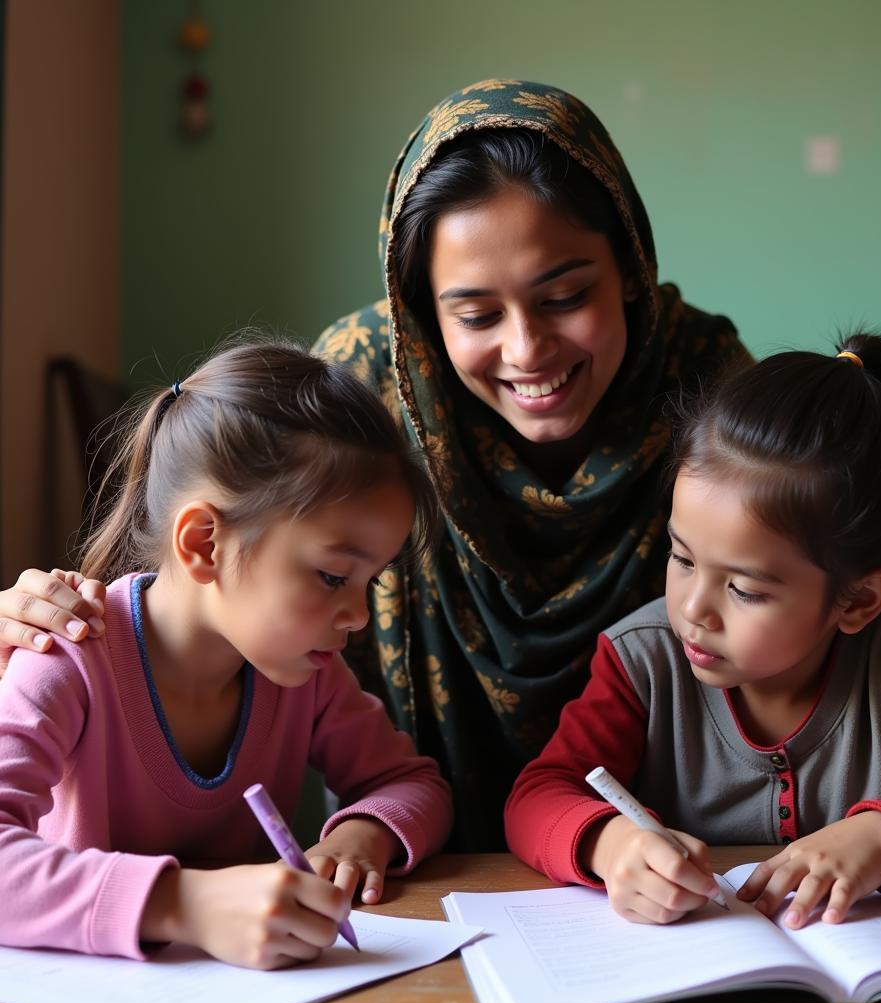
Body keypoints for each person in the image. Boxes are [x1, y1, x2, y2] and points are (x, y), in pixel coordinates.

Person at [0, 81, 748, 851]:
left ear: (628, 266)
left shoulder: (707, 382)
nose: (527, 349)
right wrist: (31, 627)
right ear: (421, 314)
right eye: (477, 316)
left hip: (667, 857)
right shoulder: (366, 386)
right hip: (418, 880)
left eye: (565, 296)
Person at [505, 334, 881, 929]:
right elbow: (536, 796)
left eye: (745, 590)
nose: (694, 608)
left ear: (856, 600)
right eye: (682, 558)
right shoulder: (642, 661)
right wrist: (609, 844)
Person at [0, 337, 452, 968]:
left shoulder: (306, 674)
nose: (358, 615)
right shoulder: (66, 657)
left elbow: (411, 781)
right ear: (205, 543)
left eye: (369, 582)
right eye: (331, 577)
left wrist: (363, 834)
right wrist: (183, 904)